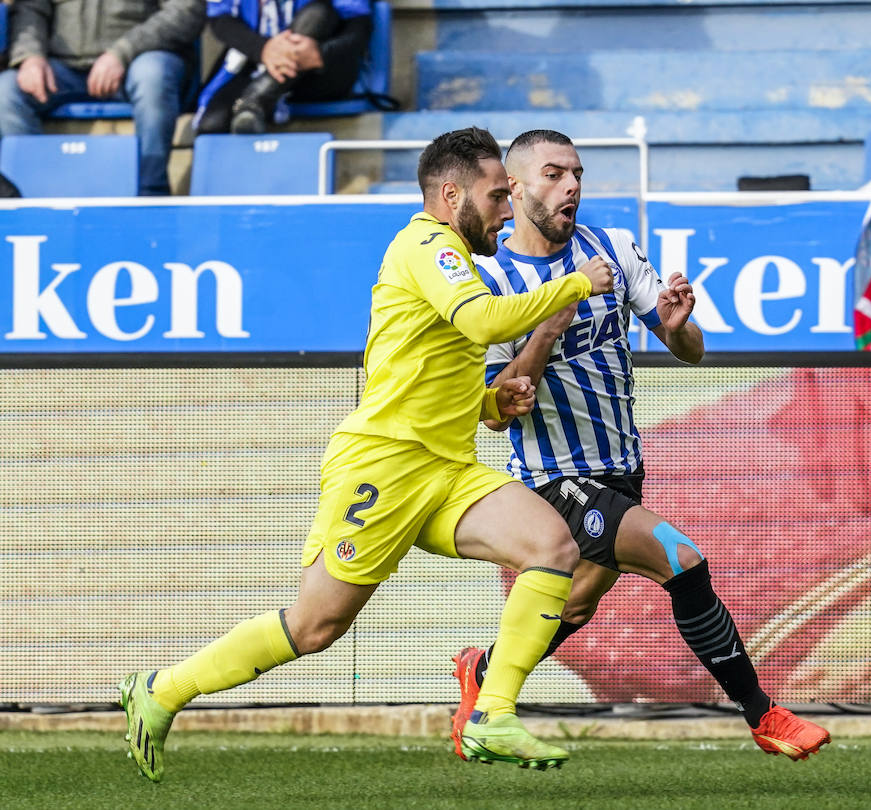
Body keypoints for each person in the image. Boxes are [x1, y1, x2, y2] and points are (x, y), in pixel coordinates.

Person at [117, 128, 615, 781]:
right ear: (449, 194)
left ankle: (492, 713)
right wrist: (574, 284)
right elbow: (484, 324)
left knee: (552, 548)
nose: (507, 207)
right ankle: (162, 689)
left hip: (445, 466)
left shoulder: (457, 259)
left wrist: (494, 404)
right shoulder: (425, 245)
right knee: (317, 626)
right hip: (384, 465)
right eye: (498, 195)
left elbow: (439, 370)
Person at [450, 129, 832, 762]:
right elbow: (499, 410)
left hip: (623, 472)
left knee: (570, 611)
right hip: (554, 479)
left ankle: (483, 671)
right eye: (553, 173)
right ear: (513, 187)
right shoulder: (489, 282)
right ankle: (763, 714)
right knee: (682, 559)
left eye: (576, 173)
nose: (570, 185)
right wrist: (550, 322)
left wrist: (679, 331)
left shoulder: (611, 248)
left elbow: (691, 349)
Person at [0, 0, 204, 195]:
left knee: (152, 75)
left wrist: (122, 52)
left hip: (138, 61)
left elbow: (186, 9)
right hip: (62, 69)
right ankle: (34, 193)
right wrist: (30, 56)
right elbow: (30, 9)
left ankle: (150, 192)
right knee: (6, 90)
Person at [194, 0, 372, 134]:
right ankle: (255, 99)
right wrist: (264, 49)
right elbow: (220, 20)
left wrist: (322, 54)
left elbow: (359, 26)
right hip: (255, 61)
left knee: (317, 14)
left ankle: (256, 99)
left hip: (318, 71)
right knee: (212, 124)